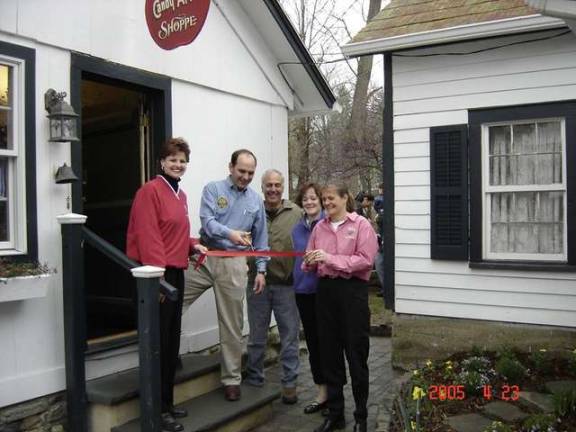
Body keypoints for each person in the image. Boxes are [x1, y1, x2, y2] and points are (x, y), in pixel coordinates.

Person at [126, 137, 207, 432]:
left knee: (171, 342)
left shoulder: (181, 195)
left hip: (175, 273)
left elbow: (173, 235)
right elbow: (149, 236)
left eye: (183, 160)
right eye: (173, 159)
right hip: (155, 276)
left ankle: (168, 403)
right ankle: (157, 410)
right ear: (162, 162)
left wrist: (193, 245)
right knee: (157, 344)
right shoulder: (150, 191)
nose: (178, 164)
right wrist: (157, 279)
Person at [184, 149, 268, 402]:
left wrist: (261, 269)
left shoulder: (256, 202)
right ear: (230, 167)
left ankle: (232, 379)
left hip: (234, 263)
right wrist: (230, 233)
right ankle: (165, 359)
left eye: (250, 173)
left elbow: (261, 238)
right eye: (241, 171)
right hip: (204, 256)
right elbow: (207, 221)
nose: (245, 177)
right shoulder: (213, 189)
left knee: (232, 325)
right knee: (170, 300)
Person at [303, 184, 379, 432]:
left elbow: (365, 260)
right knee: (329, 355)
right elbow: (310, 261)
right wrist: (309, 261)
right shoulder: (319, 228)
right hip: (325, 293)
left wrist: (330, 258)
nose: (326, 202)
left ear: (345, 198)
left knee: (356, 355)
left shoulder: (361, 226)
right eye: (324, 199)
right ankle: (336, 414)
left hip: (352, 294)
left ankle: (361, 416)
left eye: (331, 198)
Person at [245, 169, 301, 404]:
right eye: (269, 185)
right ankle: (255, 379)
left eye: (277, 185)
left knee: (289, 337)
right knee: (257, 336)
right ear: (262, 187)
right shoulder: (252, 210)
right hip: (257, 284)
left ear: (283, 186)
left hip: (287, 286)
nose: (273, 189)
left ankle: (289, 384)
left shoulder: (296, 213)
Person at [291, 182, 327, 414]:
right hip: (303, 291)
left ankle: (334, 393)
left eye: (313, 198)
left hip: (325, 292)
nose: (310, 202)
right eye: (305, 199)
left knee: (329, 344)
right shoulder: (296, 229)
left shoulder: (328, 225)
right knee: (313, 344)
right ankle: (321, 392)